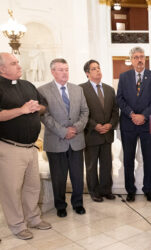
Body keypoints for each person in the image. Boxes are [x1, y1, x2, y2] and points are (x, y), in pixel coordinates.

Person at [0, 52, 51, 240]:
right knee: (11, 190)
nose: (19, 66)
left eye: (18, 62)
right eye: (14, 63)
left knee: (32, 187)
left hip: (31, 147)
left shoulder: (27, 85)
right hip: (10, 148)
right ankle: (17, 225)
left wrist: (39, 108)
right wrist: (21, 110)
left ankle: (34, 219)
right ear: (2, 68)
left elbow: (44, 106)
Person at [38, 58, 89, 218]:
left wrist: (76, 128)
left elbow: (85, 111)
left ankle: (78, 203)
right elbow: (44, 115)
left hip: (76, 140)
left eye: (66, 69)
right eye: (60, 69)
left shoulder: (77, 89)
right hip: (56, 141)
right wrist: (63, 131)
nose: (64, 72)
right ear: (52, 72)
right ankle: (60, 205)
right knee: (58, 177)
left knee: (77, 176)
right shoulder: (42, 91)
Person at [116, 47, 151, 202]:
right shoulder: (123, 77)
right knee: (128, 158)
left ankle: (148, 189)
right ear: (131, 60)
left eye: (142, 56)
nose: (139, 59)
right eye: (136, 57)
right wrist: (132, 114)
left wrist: (144, 116)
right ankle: (130, 190)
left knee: (149, 158)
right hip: (128, 124)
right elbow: (120, 99)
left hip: (148, 124)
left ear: (145, 59)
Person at [80, 60, 119, 202]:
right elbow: (81, 112)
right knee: (91, 166)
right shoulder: (81, 89)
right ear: (87, 73)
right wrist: (94, 125)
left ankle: (106, 190)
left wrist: (110, 124)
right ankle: (94, 192)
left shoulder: (109, 89)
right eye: (94, 69)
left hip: (107, 134)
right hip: (91, 134)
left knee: (106, 164)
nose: (98, 70)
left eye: (99, 67)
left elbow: (115, 111)